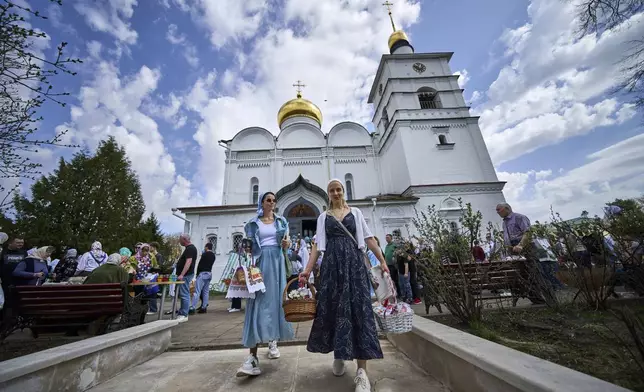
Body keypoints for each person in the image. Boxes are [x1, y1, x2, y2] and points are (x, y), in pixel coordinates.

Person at [299, 179, 389, 392]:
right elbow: (316, 246)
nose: (336, 193)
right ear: (328, 194)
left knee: (359, 311)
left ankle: (362, 372)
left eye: (339, 189)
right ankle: (340, 354)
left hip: (354, 266)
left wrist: (383, 261)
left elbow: (369, 239)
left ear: (343, 191)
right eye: (332, 190)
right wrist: (307, 270)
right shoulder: (323, 217)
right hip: (331, 268)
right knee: (332, 310)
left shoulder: (355, 213)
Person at [237, 192, 293, 377]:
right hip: (260, 264)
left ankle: (272, 341)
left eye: (274, 200)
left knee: (276, 302)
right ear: (262, 202)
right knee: (257, 304)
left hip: (276, 263)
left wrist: (286, 244)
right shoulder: (253, 224)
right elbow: (248, 248)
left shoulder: (281, 221)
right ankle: (252, 358)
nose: (272, 202)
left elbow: (287, 243)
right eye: (268, 200)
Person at [496, 203, 546, 304]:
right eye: (496, 210)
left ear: (507, 208)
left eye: (499, 210)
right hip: (512, 251)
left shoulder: (519, 217)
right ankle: (536, 299)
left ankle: (548, 299)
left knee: (533, 273)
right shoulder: (504, 223)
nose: (497, 212)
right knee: (521, 275)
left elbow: (527, 232)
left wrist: (521, 245)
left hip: (525, 249)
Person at [176, 234, 197, 322]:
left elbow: (188, 262)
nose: (179, 241)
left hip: (186, 274)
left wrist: (182, 274)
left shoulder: (190, 249)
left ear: (184, 240)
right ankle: (182, 312)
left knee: (184, 294)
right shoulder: (189, 249)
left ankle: (184, 314)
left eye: (180, 239)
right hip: (186, 274)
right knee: (184, 293)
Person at [192, 242, 215, 313]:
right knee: (206, 291)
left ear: (207, 247)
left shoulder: (204, 254)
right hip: (209, 273)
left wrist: (197, 273)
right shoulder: (213, 255)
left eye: (205, 247)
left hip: (202, 273)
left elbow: (200, 264)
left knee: (197, 291)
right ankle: (204, 307)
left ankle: (192, 307)